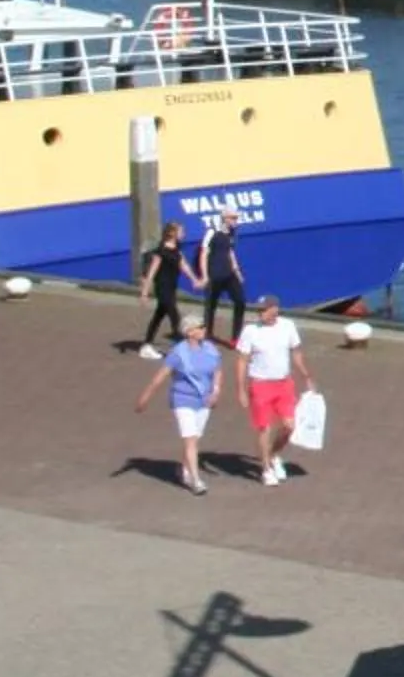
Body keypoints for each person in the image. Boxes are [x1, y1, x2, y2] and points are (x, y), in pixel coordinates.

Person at [133, 319, 223, 494]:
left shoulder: (211, 349)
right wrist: (145, 397)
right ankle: (195, 480)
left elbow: (217, 371)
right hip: (183, 400)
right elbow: (161, 376)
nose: (204, 329)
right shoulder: (178, 353)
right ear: (189, 332)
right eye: (200, 327)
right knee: (190, 439)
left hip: (203, 401)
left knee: (195, 439)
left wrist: (216, 391)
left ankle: (185, 468)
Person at [233, 294, 314, 486]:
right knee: (264, 428)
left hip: (283, 383)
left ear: (274, 309)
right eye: (259, 310)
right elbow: (242, 361)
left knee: (289, 426)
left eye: (264, 310)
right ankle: (266, 469)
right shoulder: (250, 331)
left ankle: (273, 454)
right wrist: (241, 389)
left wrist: (307, 376)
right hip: (260, 384)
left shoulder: (288, 326)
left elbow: (296, 353)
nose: (260, 314)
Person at [193, 206, 247, 341]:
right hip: (214, 275)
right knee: (211, 306)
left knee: (240, 302)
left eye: (237, 218)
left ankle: (236, 338)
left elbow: (230, 252)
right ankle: (207, 335)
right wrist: (205, 276)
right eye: (233, 218)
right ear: (225, 218)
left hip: (229, 274)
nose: (236, 221)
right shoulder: (212, 232)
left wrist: (237, 271)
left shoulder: (231, 233)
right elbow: (204, 254)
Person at [136, 219, 187, 358]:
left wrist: (195, 279)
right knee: (175, 317)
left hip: (171, 287)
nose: (184, 233)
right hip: (162, 288)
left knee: (158, 316)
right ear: (172, 233)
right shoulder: (161, 251)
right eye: (181, 231)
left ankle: (146, 345)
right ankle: (181, 349)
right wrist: (144, 293)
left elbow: (183, 264)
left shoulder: (177, 248)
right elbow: (151, 273)